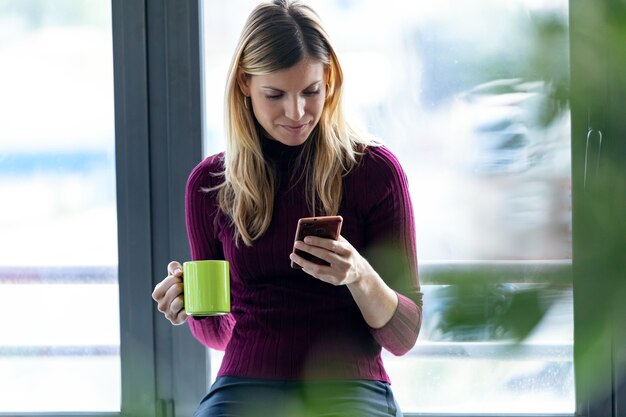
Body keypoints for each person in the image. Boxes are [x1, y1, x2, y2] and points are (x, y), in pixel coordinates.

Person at [152, 1, 423, 415]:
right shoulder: (210, 186)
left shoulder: (375, 172)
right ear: (245, 83)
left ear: (329, 80)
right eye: (275, 95)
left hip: (350, 385)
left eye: (311, 91)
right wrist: (192, 306)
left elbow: (404, 336)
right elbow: (220, 334)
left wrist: (359, 275)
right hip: (244, 385)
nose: (296, 113)